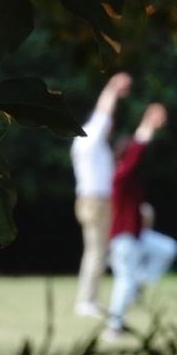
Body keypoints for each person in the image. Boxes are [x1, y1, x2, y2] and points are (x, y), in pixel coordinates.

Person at [105, 102, 177, 339]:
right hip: (123, 238)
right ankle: (113, 326)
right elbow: (135, 155)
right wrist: (148, 125)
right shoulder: (119, 177)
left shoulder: (131, 180)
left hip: (136, 235)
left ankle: (140, 284)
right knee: (124, 281)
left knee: (168, 248)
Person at [71, 72, 132, 317]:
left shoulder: (89, 142)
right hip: (96, 202)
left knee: (98, 251)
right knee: (96, 251)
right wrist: (113, 88)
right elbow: (104, 113)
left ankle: (91, 299)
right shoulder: (92, 137)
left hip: (91, 200)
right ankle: (86, 302)